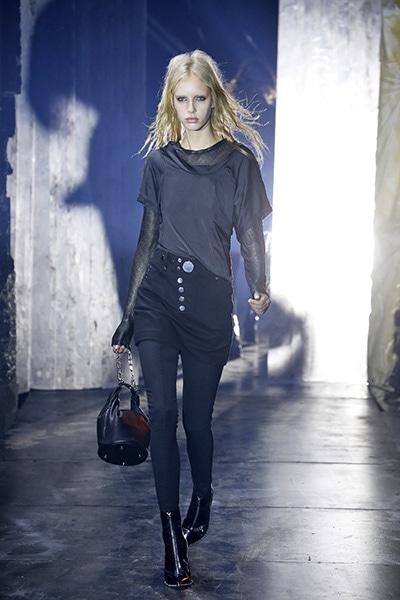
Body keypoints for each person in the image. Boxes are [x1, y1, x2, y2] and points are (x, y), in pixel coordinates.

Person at [111, 49, 272, 589]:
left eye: (200, 98)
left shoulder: (238, 163)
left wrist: (260, 287)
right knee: (162, 414)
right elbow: (147, 240)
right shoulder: (159, 163)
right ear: (171, 102)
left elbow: (250, 234)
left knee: (196, 422)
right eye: (182, 99)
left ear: (214, 98)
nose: (191, 109)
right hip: (157, 297)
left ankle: (203, 493)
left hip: (209, 304)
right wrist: (129, 314)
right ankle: (171, 539)